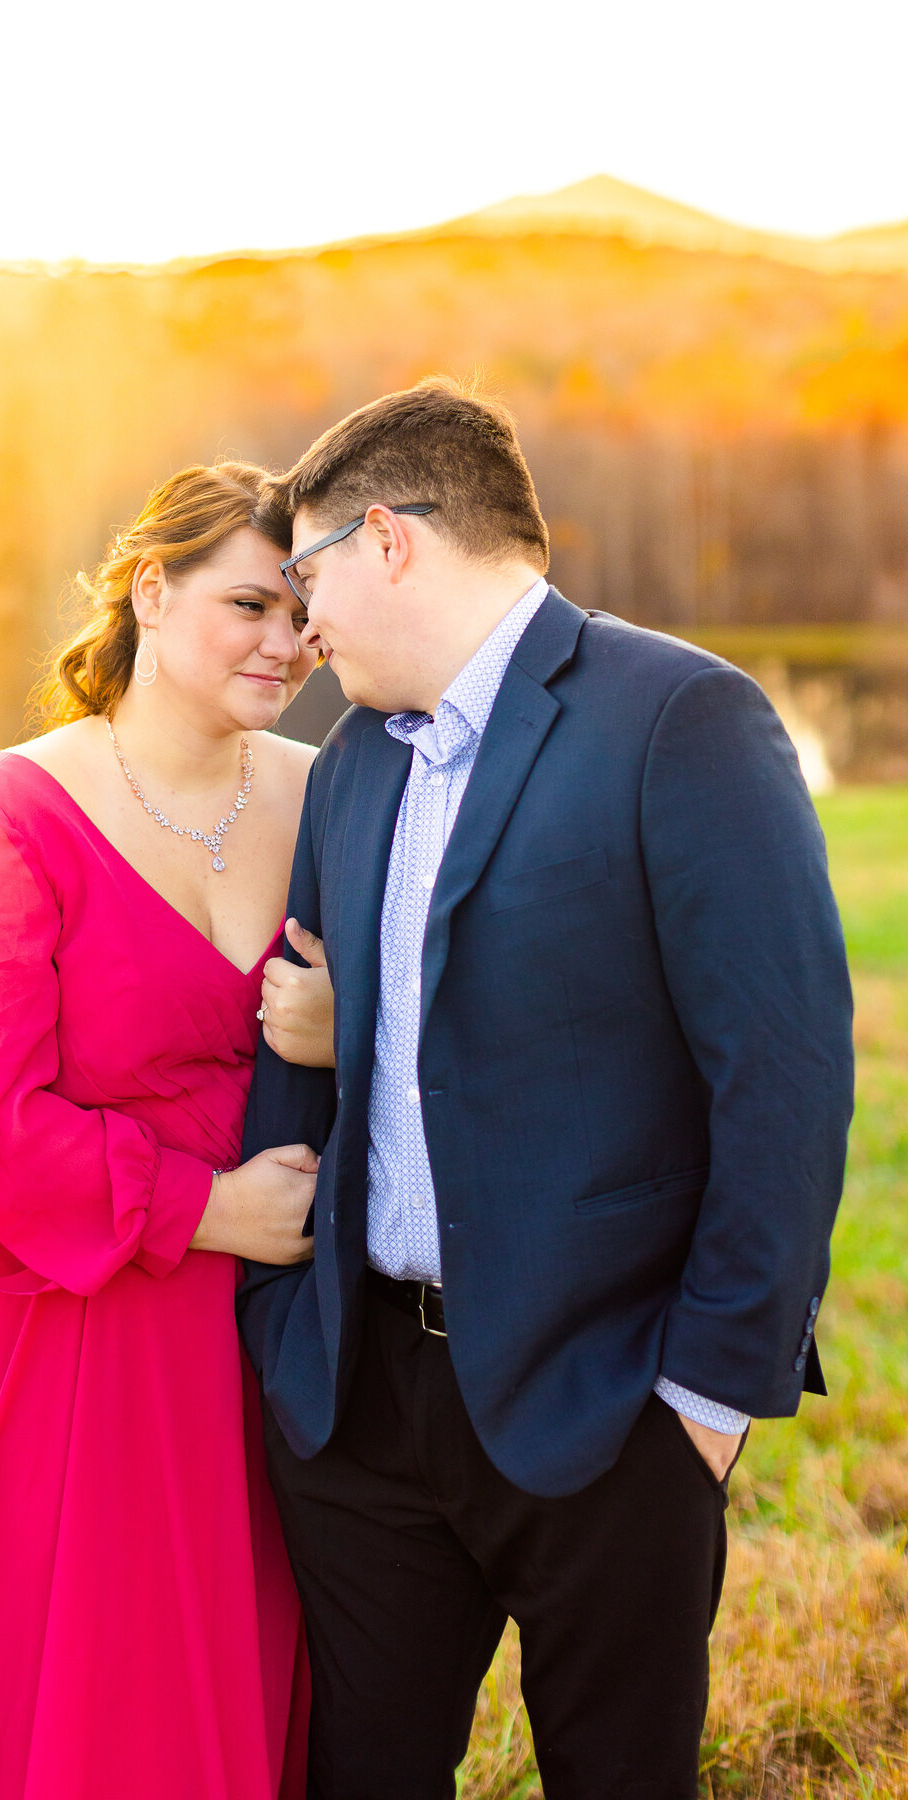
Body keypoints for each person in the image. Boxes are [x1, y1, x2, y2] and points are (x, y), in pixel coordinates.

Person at [240, 379, 854, 1799]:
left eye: (310, 572)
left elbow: (784, 1075)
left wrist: (706, 1402)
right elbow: (306, 1040)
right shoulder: (350, 766)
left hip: (611, 1401)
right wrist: (287, 1329)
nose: (303, 624)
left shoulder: (681, 718)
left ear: (388, 540)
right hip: (363, 1405)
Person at [0, 462, 336, 1800]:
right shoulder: (9, 815)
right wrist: (206, 1211)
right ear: (151, 589)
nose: (288, 644)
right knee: (69, 1685)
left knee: (235, 1667)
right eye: (250, 603)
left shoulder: (334, 793)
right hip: (69, 1326)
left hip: (273, 1341)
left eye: (306, 612)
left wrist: (337, 1037)